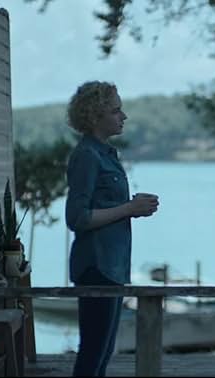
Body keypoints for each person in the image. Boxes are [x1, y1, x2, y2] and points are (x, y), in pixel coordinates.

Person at [64, 81, 159, 376]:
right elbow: (77, 218)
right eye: (116, 110)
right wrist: (129, 208)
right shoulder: (87, 156)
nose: (123, 116)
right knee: (93, 356)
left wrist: (132, 207)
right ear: (95, 116)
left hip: (113, 267)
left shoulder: (106, 154)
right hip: (96, 266)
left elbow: (105, 210)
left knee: (103, 355)